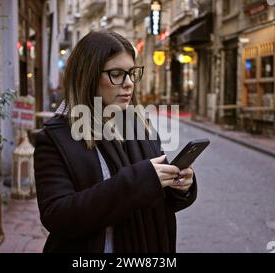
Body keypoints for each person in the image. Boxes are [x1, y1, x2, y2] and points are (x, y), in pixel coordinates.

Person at [34, 31, 197, 253]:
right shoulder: (55, 138)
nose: (129, 83)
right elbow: (57, 215)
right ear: (88, 76)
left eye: (131, 73)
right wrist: (139, 181)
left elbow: (159, 199)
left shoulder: (139, 125)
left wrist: (180, 186)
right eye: (117, 74)